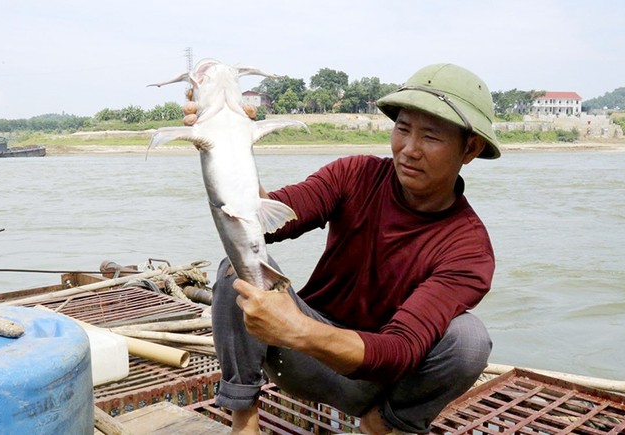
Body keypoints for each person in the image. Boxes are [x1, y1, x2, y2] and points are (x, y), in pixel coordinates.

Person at [211, 63, 501, 435]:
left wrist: (298, 328)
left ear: (470, 148)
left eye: (430, 137)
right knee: (236, 264)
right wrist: (226, 140)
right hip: (301, 360)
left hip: (377, 383)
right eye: (402, 129)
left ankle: (382, 425)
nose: (409, 150)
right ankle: (244, 422)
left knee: (469, 341)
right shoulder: (355, 175)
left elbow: (401, 351)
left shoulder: (468, 249)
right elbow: (265, 220)